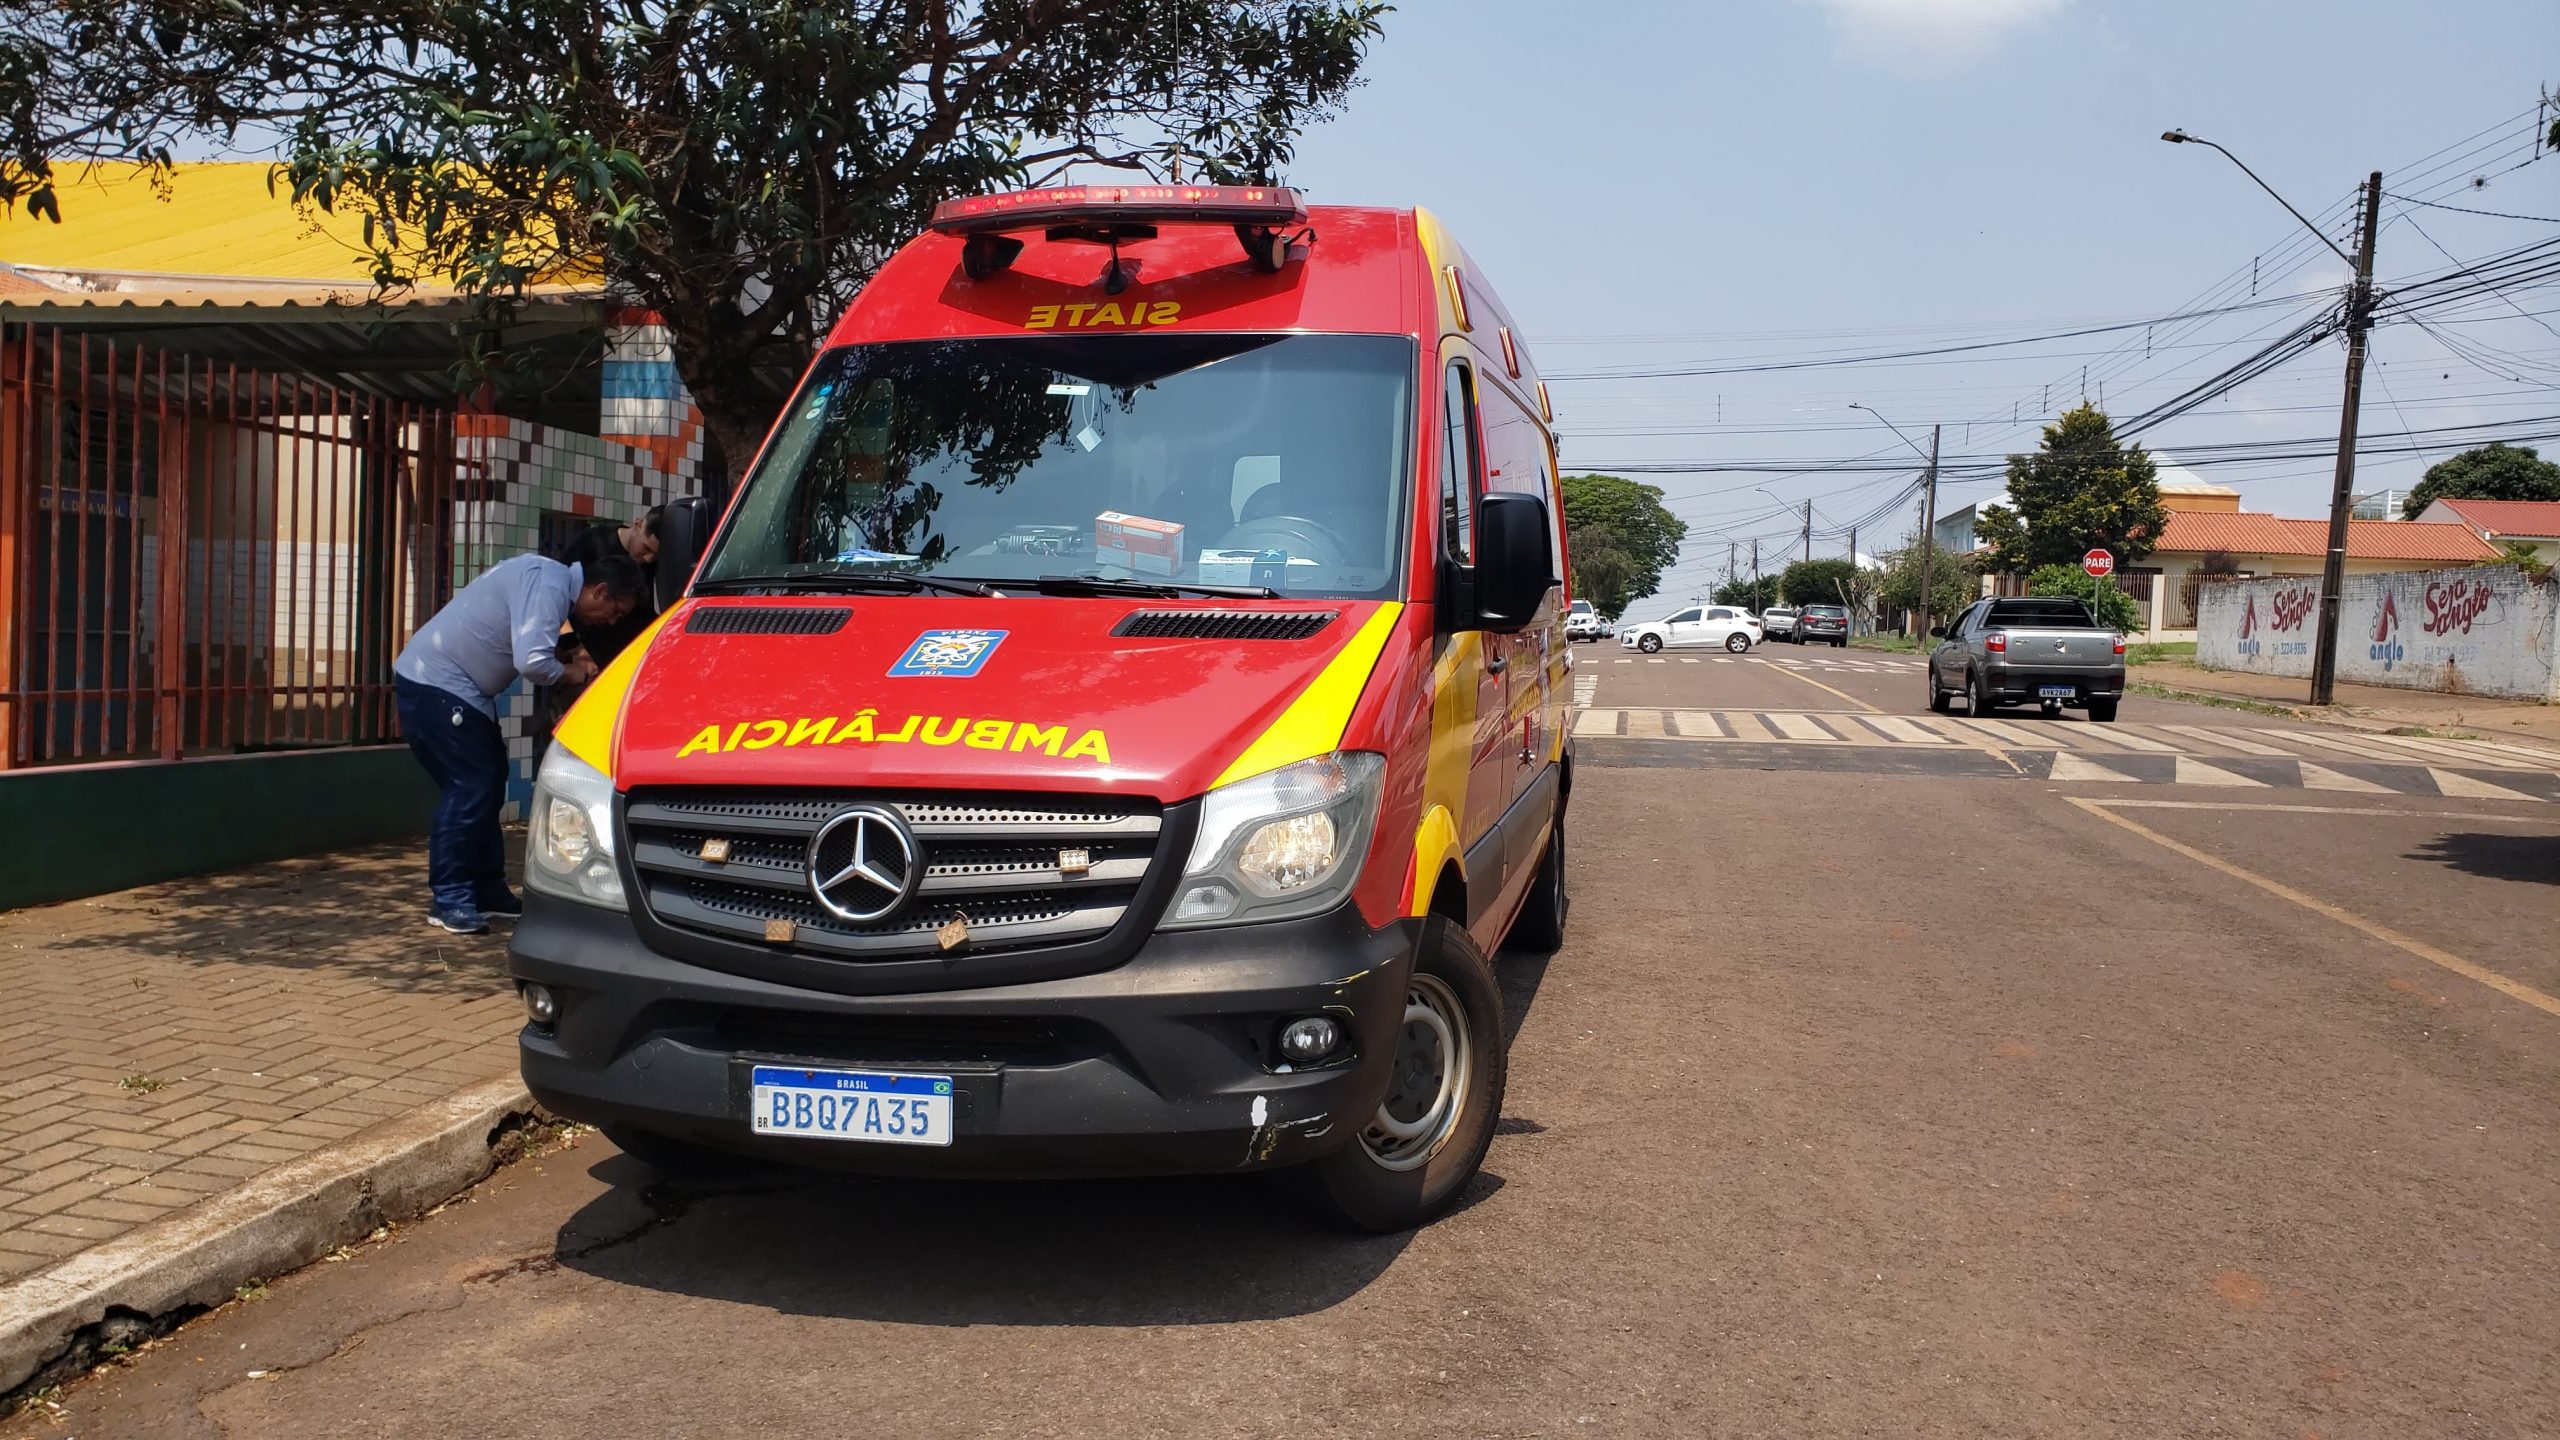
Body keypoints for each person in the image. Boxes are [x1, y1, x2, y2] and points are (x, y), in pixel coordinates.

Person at [393, 551, 646, 934]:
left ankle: (488, 890)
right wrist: (572, 672)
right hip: (439, 686)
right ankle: (450, 898)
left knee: (489, 784)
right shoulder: (549, 585)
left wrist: (570, 653)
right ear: (599, 591)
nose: (610, 621)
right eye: (615, 611)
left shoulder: (548, 578)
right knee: (471, 788)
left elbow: (542, 633)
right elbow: (531, 661)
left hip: (455, 690)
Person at [554, 507, 663, 667]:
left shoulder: (655, 566)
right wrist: (576, 650)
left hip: (630, 663)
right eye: (646, 548)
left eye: (655, 555)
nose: (648, 559)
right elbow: (558, 597)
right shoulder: (593, 542)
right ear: (638, 523)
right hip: (584, 661)